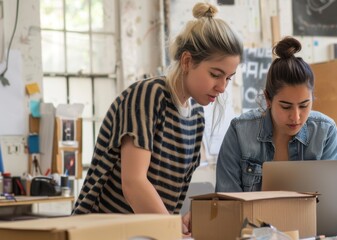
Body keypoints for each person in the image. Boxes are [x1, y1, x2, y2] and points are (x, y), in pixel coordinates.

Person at [72, 2, 242, 237]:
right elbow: (133, 183)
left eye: (229, 78)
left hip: (145, 233)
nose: (222, 87)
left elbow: (164, 199)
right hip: (101, 233)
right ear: (186, 61)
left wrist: (180, 223)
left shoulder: (196, 117)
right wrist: (172, 229)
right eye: (215, 74)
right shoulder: (149, 95)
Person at [215, 36, 337, 193]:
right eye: (286, 107)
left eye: (304, 105)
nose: (296, 117)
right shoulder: (240, 131)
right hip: (249, 218)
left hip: (310, 219)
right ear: (268, 99)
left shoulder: (325, 132)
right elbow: (227, 203)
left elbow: (329, 200)